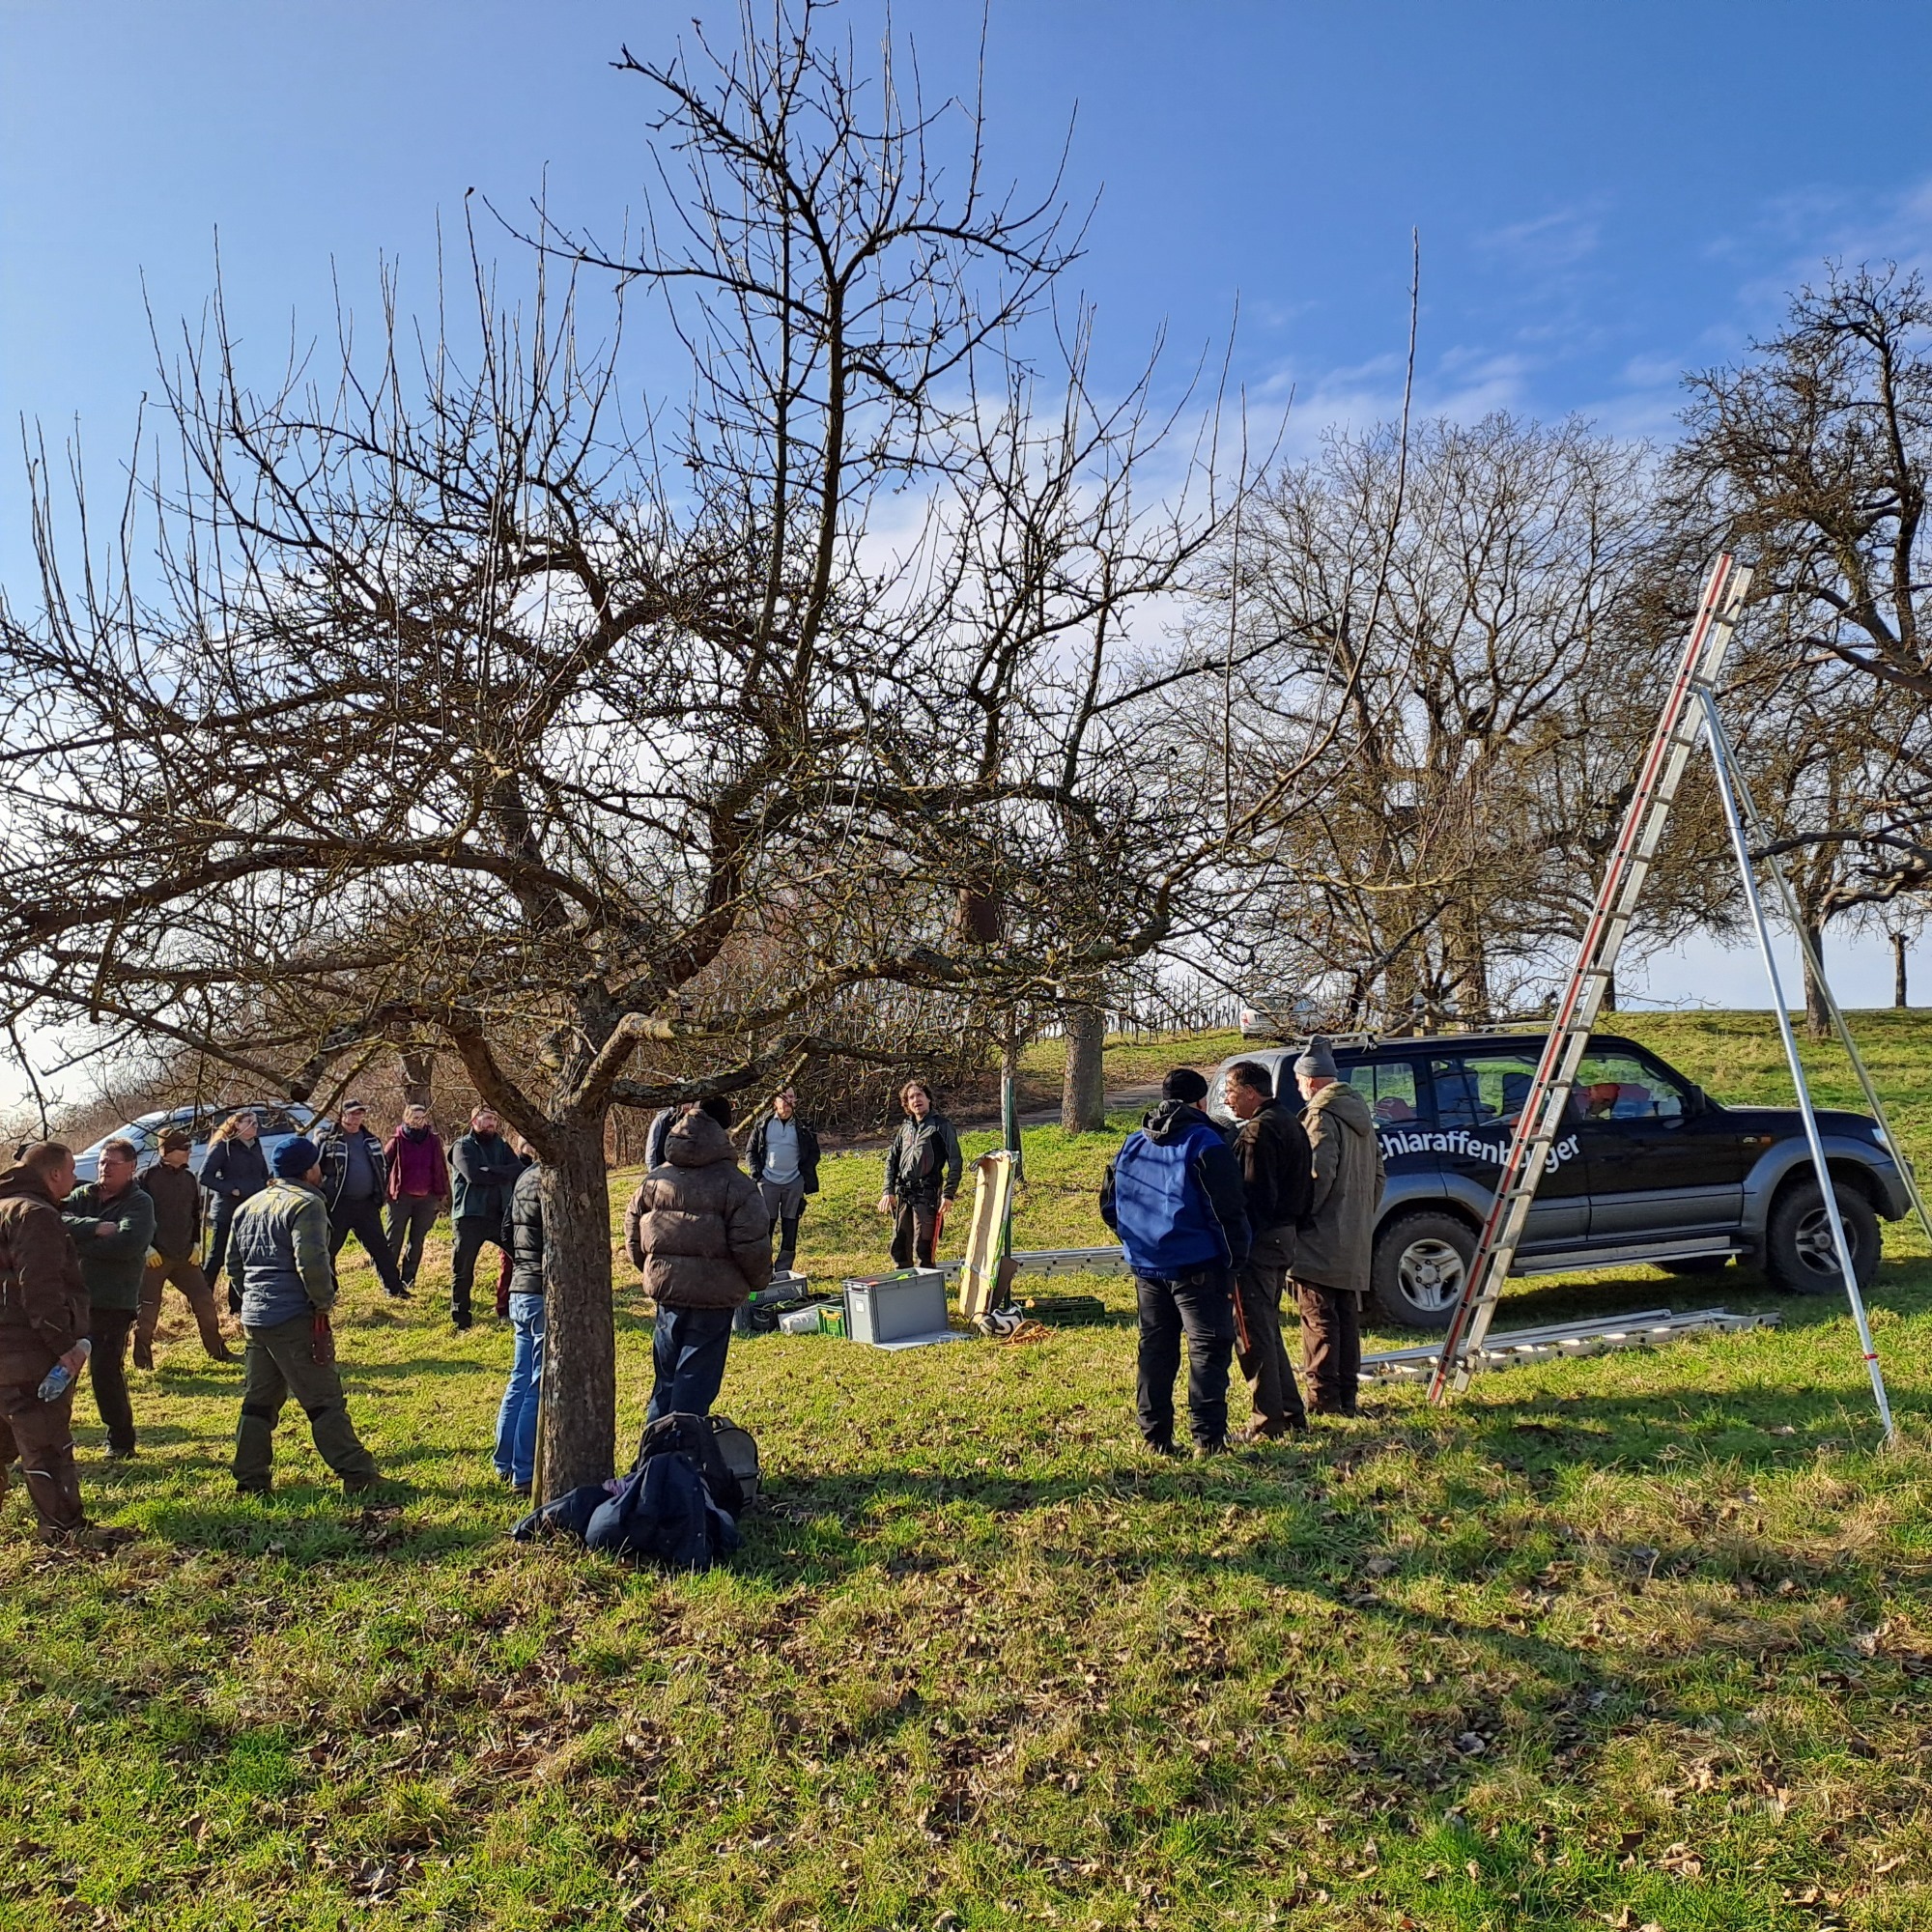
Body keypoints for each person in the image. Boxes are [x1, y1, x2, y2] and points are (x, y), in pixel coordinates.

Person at [1100, 1067, 1251, 1459]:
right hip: (1198, 1264)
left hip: (1147, 1265)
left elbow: (1110, 1205)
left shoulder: (1132, 1143)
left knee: (1155, 1349)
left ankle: (1156, 1438)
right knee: (1208, 1349)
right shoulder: (1206, 1142)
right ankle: (1209, 1438)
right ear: (1201, 1101)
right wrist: (1234, 1261)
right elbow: (1228, 1211)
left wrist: (1136, 1240)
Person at [228, 1135, 381, 1495]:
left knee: (258, 1403)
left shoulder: (248, 1206)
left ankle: (251, 1478)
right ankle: (357, 1473)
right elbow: (311, 1261)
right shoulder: (307, 1205)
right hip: (294, 1314)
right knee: (324, 1399)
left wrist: (252, 1297)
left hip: (256, 1317)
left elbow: (234, 1267)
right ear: (309, 1169)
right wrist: (323, 1301)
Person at [625, 1095, 770, 1424]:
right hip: (714, 1298)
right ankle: (680, 1461)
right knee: (695, 1384)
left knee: (665, 1381)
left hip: (668, 1294)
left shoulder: (655, 1179)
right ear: (723, 1133)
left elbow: (633, 1232)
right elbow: (752, 1245)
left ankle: (653, 1458)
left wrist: (652, 1269)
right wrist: (757, 1283)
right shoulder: (737, 1185)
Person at [1291, 1037, 1387, 1419]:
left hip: (1319, 1238)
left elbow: (1318, 1174)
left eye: (1299, 1082)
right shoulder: (1361, 1116)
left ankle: (1324, 1401)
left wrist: (1301, 1216)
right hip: (1354, 1235)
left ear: (1310, 1081)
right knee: (1347, 1320)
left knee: (1318, 1320)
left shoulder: (1321, 1115)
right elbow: (1379, 1174)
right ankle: (1347, 1398)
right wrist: (1359, 1214)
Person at [0, 1142, 91, 1540]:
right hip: (25, 1350)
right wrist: (64, 1346)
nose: (74, 1178)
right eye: (71, 1170)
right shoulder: (36, 1215)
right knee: (47, 1445)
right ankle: (64, 1528)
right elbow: (40, 1289)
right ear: (54, 1174)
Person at [1221, 1060, 1313, 1439]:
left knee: (1252, 1334)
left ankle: (1267, 1422)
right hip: (1286, 1236)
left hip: (1260, 1243)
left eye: (1229, 1092)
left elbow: (1254, 1196)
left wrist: (1238, 1245)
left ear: (1250, 1092)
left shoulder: (1258, 1132)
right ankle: (1291, 1412)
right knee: (1268, 1329)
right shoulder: (1291, 1121)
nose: (1227, 1101)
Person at [62, 1137, 157, 1461]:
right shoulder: (82, 1196)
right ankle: (53, 1441)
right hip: (73, 1298)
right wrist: (95, 1226)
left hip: (112, 1300)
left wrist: (77, 1244)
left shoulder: (139, 1202)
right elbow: (56, 1224)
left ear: (131, 1168)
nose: (105, 1169)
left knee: (104, 1372)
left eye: (113, 1163)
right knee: (58, 1370)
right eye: (102, 1162)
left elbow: (128, 1244)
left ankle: (120, 1441)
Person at [135, 1128, 232, 1367]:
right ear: (168, 1151)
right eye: (185, 1148)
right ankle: (142, 1362)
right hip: (155, 1257)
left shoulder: (190, 1179)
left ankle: (218, 1351)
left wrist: (197, 1244)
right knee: (147, 1313)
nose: (190, 1152)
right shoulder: (145, 1179)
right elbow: (137, 1217)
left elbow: (195, 1214)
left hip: (185, 1257)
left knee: (205, 1302)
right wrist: (146, 1247)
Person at [319, 1100, 411, 1299]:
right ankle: (329, 1293)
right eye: (351, 1115)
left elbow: (383, 1167)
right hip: (337, 1205)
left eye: (359, 1115)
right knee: (328, 1250)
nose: (355, 1119)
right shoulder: (327, 1139)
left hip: (366, 1204)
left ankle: (395, 1289)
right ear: (341, 1115)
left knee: (381, 1248)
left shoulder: (371, 1140)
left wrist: (381, 1193)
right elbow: (315, 1169)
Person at [495, 1150, 545, 1494]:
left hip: (520, 1289)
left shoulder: (524, 1178)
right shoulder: (553, 1180)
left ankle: (504, 1460)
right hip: (542, 1289)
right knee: (536, 1385)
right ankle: (524, 1470)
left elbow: (505, 1232)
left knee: (519, 1377)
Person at [448, 1106, 523, 1330]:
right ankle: (461, 1320)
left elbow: (518, 1169)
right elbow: (473, 1175)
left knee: (522, 1260)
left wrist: (489, 1170)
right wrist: (501, 1172)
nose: (492, 1123)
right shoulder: (462, 1146)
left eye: (494, 1119)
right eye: (487, 1118)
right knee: (463, 1270)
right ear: (474, 1121)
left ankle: (513, 1310)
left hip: (500, 1215)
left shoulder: (501, 1144)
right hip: (470, 1216)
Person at [877, 1080, 962, 1268]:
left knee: (923, 1247)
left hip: (927, 1195)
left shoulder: (941, 1126)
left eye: (919, 1095)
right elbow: (891, 1160)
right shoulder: (904, 1129)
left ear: (928, 1099)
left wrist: (948, 1194)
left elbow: (955, 1160)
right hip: (903, 1195)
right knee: (899, 1246)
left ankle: (926, 1287)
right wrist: (887, 1190)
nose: (916, 1100)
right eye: (911, 1097)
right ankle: (903, 1286)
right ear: (907, 1104)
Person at [748, 1086, 820, 1275]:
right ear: (774, 1102)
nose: (787, 1103)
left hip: (794, 1183)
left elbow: (814, 1153)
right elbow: (751, 1151)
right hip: (768, 1183)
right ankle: (764, 1268)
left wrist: (804, 1176)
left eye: (791, 1098)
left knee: (791, 1227)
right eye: (783, 1098)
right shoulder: (762, 1125)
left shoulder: (804, 1126)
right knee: (766, 1227)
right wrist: (758, 1175)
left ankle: (784, 1268)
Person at [201, 1109, 269, 1311]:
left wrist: (267, 1184)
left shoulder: (256, 1146)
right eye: (250, 1122)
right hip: (227, 1211)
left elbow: (262, 1172)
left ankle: (236, 1306)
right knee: (217, 1257)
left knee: (244, 1257)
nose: (255, 1125)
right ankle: (202, 1302)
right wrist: (232, 1189)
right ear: (237, 1125)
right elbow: (205, 1177)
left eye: (256, 1122)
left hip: (252, 1209)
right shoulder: (224, 1147)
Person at [383, 1103, 449, 1293]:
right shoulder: (397, 1140)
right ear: (407, 1118)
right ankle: (390, 1280)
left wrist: (441, 1194)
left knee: (417, 1240)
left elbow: (440, 1167)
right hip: (400, 1198)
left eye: (422, 1116)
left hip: (426, 1198)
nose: (419, 1120)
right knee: (394, 1239)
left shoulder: (433, 1140)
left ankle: (409, 1278)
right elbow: (383, 1165)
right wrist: (383, 1192)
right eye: (415, 1117)